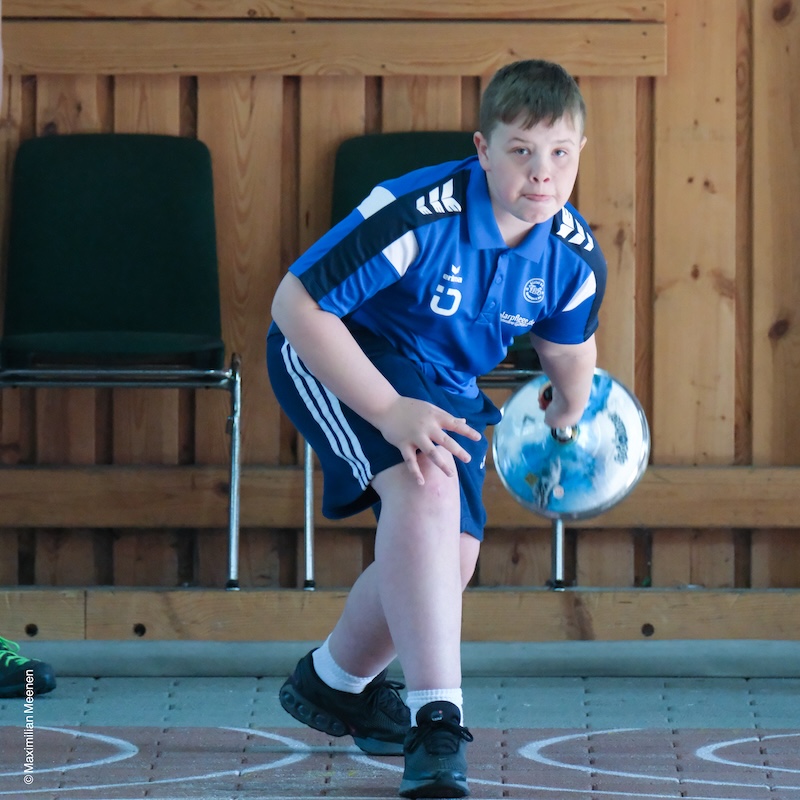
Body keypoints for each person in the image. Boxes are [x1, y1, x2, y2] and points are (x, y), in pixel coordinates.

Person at [267, 59, 606, 798]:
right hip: (342, 350)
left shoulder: (574, 255)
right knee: (425, 483)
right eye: (521, 150)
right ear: (482, 149)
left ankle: (334, 682)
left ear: (580, 153)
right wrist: (388, 409)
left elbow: (568, 350)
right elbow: (295, 305)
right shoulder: (416, 211)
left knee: (448, 560)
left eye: (560, 153)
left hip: (443, 383)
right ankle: (437, 722)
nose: (542, 172)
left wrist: (570, 411)